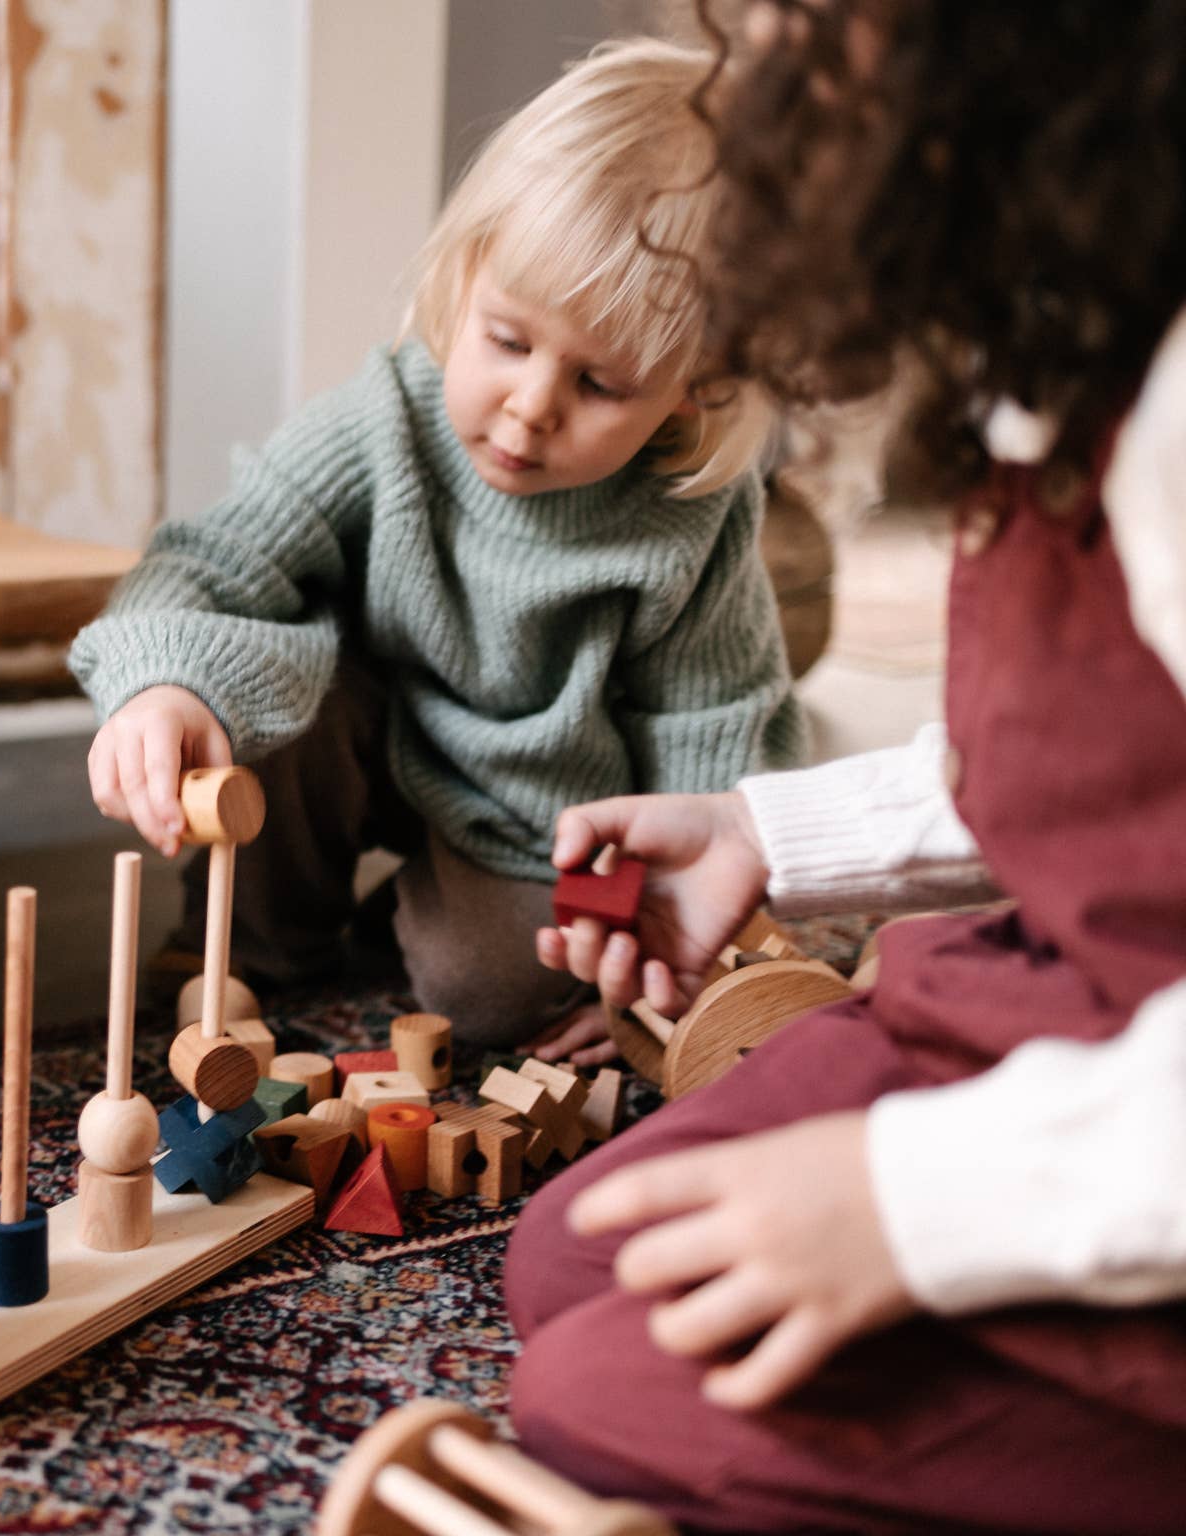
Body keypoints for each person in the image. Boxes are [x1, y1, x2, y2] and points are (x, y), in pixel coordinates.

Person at [508, 4, 1186, 1529]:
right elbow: (1121, 760)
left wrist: (912, 1207)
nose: (752, 83)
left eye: (798, 31)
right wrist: (774, 832)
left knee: (602, 1391)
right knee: (581, 1254)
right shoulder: (1071, 325)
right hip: (1068, 995)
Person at [70, 39, 805, 1048]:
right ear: (464, 279)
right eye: (506, 340)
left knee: (495, 996)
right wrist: (163, 686)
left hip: (540, 816)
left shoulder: (691, 517)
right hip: (358, 727)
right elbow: (204, 563)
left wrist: (652, 963)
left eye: (598, 385)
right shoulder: (383, 422)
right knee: (264, 700)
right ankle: (249, 947)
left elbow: (709, 737)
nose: (530, 406)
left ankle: (405, 920)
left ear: (697, 385)